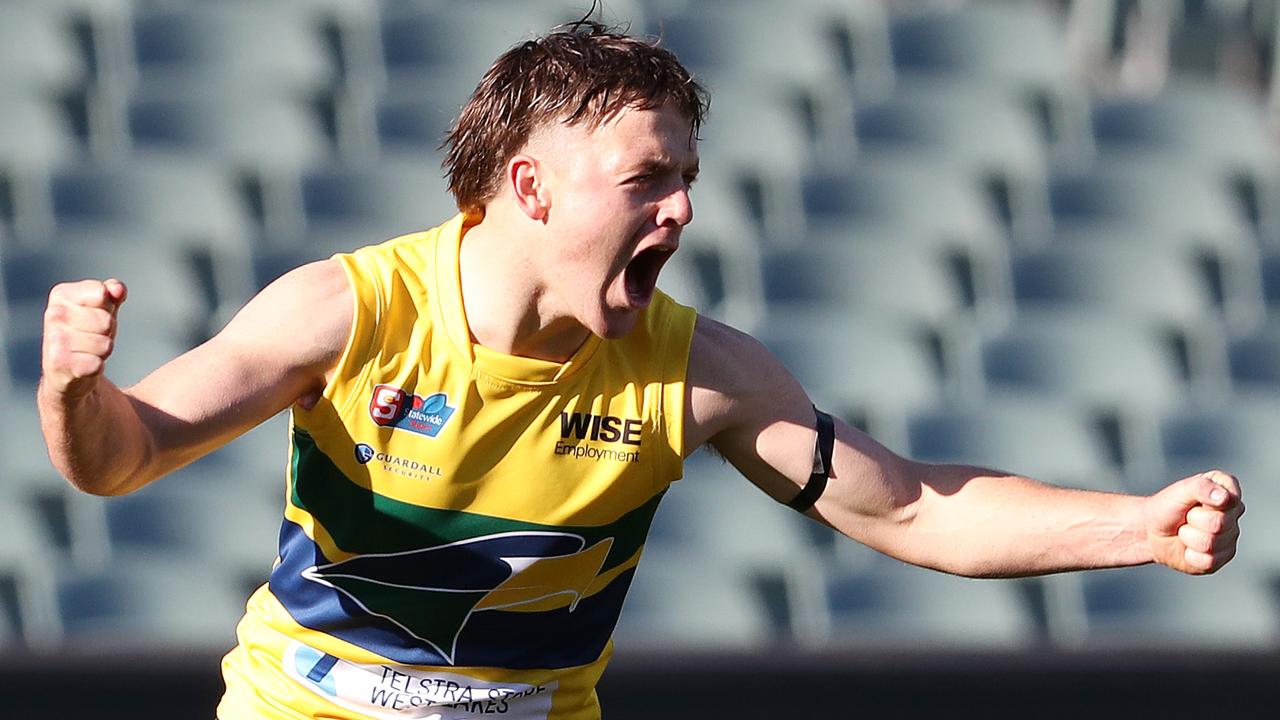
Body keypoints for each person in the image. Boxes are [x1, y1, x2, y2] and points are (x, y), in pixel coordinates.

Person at [38, 21, 1242, 720]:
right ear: (529, 186)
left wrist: (1133, 527)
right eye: (646, 181)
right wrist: (75, 396)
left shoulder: (700, 373)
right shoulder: (349, 311)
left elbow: (917, 507)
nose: (676, 212)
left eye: (686, 182)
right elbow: (126, 455)